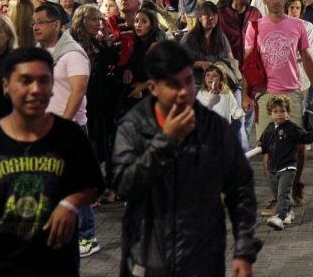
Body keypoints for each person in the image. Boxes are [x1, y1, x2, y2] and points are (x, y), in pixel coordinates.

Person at [0, 47, 104, 277]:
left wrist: (70, 203)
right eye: (25, 81)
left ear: (52, 88)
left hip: (55, 266)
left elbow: (93, 185)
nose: (35, 90)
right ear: (6, 86)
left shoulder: (70, 136)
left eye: (44, 81)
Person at [112, 40, 261, 276]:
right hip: (148, 256)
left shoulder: (213, 126)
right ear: (153, 88)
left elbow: (240, 186)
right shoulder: (134, 126)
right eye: (173, 85)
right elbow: (124, 184)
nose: (184, 92)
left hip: (203, 253)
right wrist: (165, 142)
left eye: (188, 81)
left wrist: (243, 250)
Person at [244, 0, 313, 208]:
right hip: (265, 94)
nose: (276, 1)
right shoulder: (255, 27)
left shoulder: (297, 25)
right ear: (265, 1)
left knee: (297, 146)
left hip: (292, 93)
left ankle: (295, 183)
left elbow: (307, 58)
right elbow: (248, 63)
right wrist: (246, 95)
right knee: (267, 149)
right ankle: (278, 195)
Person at [32, 2, 99, 257]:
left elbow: (78, 90)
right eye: (34, 22)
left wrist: (64, 124)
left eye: (41, 22)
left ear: (57, 25)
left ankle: (87, 236)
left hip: (69, 129)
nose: (36, 26)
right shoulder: (40, 51)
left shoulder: (73, 54)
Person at [69, 5, 119, 194]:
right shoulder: (72, 41)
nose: (98, 24)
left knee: (96, 140)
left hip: (96, 99)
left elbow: (110, 59)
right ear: (82, 20)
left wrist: (106, 35)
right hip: (79, 96)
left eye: (99, 19)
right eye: (93, 20)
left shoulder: (94, 41)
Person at [259, 95, 313, 230]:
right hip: (273, 169)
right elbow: (264, 145)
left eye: (282, 111)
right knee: (278, 194)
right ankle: (288, 211)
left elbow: (305, 137)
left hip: (288, 167)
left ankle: (280, 217)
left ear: (287, 112)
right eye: (276, 112)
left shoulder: (291, 128)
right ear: (270, 114)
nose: (280, 115)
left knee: (283, 194)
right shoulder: (269, 129)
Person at [180, 2, 238, 88]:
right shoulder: (189, 39)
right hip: (197, 83)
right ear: (199, 18)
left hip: (220, 82)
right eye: (207, 15)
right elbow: (180, 64)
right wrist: (199, 64)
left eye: (214, 15)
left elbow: (231, 58)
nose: (211, 18)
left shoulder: (221, 36)